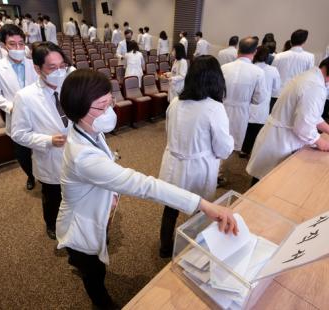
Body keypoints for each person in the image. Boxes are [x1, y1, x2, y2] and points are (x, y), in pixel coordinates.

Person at [56, 69, 238, 309]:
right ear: (79, 109)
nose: (110, 112)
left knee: (91, 258)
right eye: (102, 106)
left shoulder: (86, 129)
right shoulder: (82, 156)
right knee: (94, 272)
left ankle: (79, 262)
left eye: (110, 103)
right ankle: (102, 302)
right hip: (80, 224)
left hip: (93, 210)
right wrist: (202, 204)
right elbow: (143, 185)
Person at [159, 55, 234, 257]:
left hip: (173, 163)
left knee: (171, 206)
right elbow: (223, 148)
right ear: (216, 79)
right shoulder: (214, 107)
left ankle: (165, 247)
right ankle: (193, 250)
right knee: (202, 210)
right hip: (198, 167)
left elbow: (169, 132)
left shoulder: (175, 102)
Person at [11, 42, 75, 240]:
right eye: (52, 67)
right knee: (53, 196)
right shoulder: (25, 97)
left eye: (62, 66)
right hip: (50, 157)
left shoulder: (70, 86)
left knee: (74, 191)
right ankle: (52, 224)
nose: (59, 71)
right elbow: (18, 133)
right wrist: (47, 140)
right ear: (37, 68)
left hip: (75, 153)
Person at [247, 57, 329, 184]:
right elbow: (303, 126)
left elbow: (312, 114)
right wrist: (320, 141)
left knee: (263, 180)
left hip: (278, 136)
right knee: (266, 185)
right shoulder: (315, 86)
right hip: (282, 141)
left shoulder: (310, 77)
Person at [0, 24, 38, 190]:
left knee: (42, 149)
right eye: (12, 44)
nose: (18, 48)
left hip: (37, 115)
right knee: (22, 154)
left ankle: (44, 176)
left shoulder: (33, 64)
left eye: (21, 43)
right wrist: (11, 107)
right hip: (15, 116)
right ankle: (30, 176)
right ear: (4, 45)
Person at [221, 37, 268, 151]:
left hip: (222, 108)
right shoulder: (258, 72)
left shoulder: (224, 68)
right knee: (233, 143)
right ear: (255, 52)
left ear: (238, 49)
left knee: (219, 138)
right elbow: (259, 99)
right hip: (241, 111)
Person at [240, 46, 281, 156]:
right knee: (258, 130)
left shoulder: (248, 67)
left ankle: (243, 149)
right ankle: (253, 151)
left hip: (246, 103)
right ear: (268, 57)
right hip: (263, 105)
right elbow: (276, 89)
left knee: (246, 128)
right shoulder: (273, 70)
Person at [272, 29, 314, 94]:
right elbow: (308, 78)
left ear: (291, 41)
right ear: (304, 42)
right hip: (296, 93)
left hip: (278, 93)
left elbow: (273, 75)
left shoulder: (278, 56)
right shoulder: (309, 57)